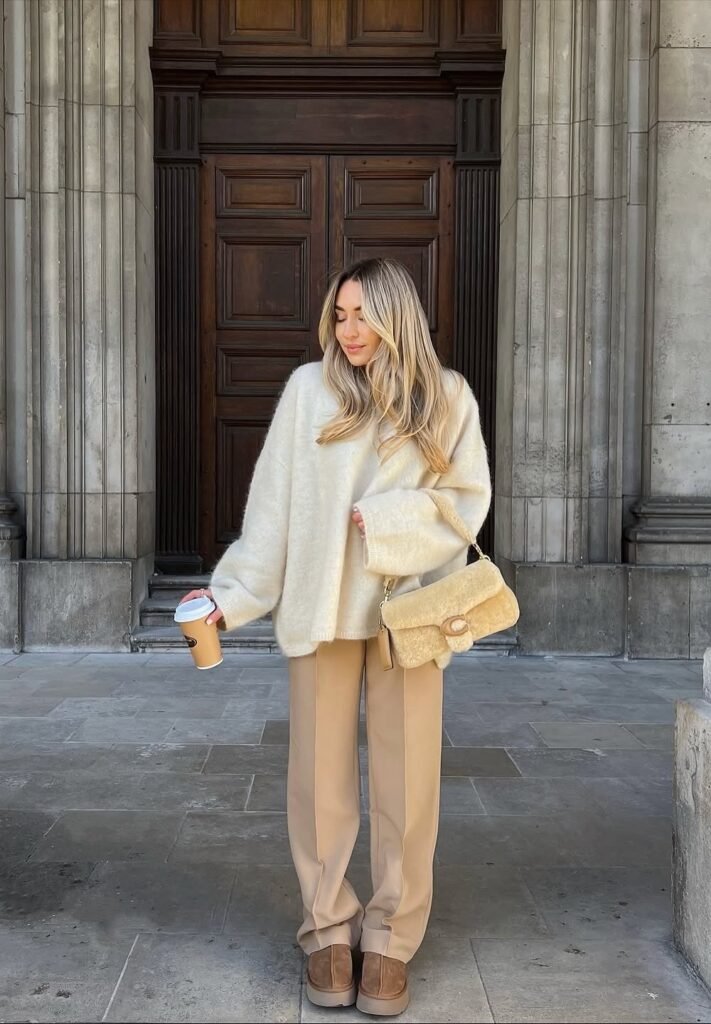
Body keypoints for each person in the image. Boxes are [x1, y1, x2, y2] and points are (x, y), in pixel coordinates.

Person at [180, 258, 491, 1016]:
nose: (348, 331)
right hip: (320, 611)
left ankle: (389, 937)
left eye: (362, 314)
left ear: (396, 316)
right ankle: (326, 926)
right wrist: (230, 596)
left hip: (406, 611)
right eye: (339, 315)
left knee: (407, 783)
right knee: (318, 783)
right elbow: (273, 512)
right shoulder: (306, 393)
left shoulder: (444, 396)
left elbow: (466, 500)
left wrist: (383, 522)